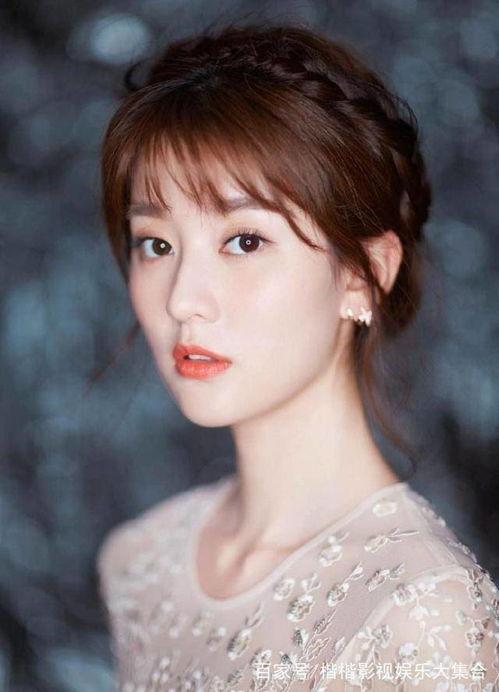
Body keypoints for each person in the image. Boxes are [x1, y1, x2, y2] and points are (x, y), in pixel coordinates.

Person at [96, 21, 498, 691]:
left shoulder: (423, 614)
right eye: (157, 245)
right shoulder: (139, 562)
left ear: (363, 273)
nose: (183, 300)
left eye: (244, 241)